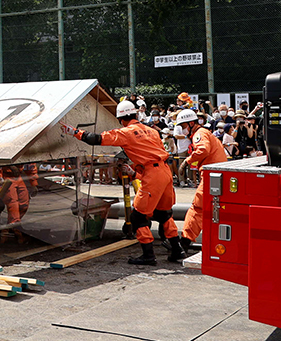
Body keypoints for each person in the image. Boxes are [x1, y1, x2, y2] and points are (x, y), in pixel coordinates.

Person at [72, 100, 185, 265]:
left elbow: (95, 139)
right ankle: (177, 250)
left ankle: (148, 255)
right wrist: (135, 172)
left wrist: (74, 132)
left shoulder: (127, 132)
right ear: (136, 114)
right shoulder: (152, 131)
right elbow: (153, 155)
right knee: (164, 214)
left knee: (138, 217)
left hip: (152, 175)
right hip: (164, 172)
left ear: (120, 119)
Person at [177, 109, 229, 251]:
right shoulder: (205, 133)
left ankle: (185, 243)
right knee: (211, 209)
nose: (183, 130)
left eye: (183, 126)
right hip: (216, 174)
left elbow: (203, 150)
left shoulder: (199, 134)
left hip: (211, 176)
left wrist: (186, 162)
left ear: (191, 123)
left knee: (197, 208)